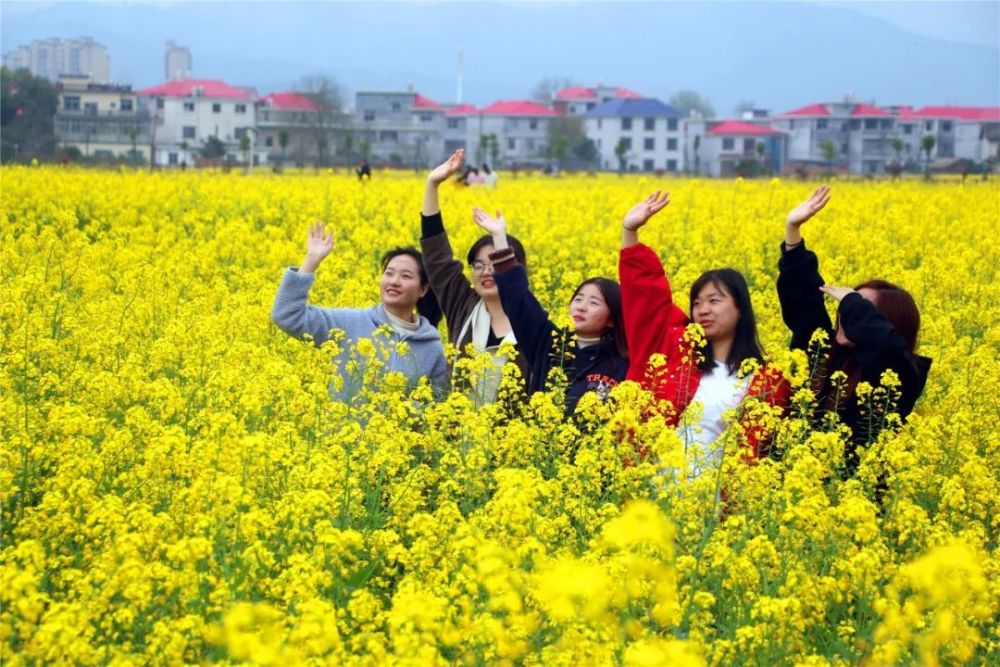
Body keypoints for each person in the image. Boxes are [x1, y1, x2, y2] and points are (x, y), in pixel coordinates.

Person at [619, 191, 789, 474]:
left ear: (740, 308)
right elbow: (645, 303)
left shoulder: (765, 380)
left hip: (715, 509)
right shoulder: (675, 349)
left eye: (714, 301)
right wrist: (630, 232)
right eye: (696, 303)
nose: (702, 310)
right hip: (652, 502)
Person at [777, 185, 931, 474]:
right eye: (846, 308)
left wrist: (851, 300)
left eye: (858, 311)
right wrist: (793, 233)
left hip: (858, 507)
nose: (844, 315)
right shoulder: (824, 358)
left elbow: (885, 347)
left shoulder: (900, 374)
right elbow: (804, 305)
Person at [472, 208, 628, 414]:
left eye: (594, 302)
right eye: (578, 299)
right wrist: (499, 238)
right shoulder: (549, 342)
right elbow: (519, 299)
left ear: (612, 319)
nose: (581, 306)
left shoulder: (622, 361)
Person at [271, 221, 448, 401]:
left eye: (405, 276)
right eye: (389, 273)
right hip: (342, 428)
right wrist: (311, 261)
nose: (394, 281)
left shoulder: (433, 349)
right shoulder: (349, 323)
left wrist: (407, 412)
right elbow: (286, 315)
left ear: (423, 289)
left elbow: (436, 412)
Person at [421, 149, 530, 403]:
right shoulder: (463, 305)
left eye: (496, 263)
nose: (486, 271)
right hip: (457, 437)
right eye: (478, 265)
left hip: (511, 440)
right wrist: (432, 185)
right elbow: (437, 256)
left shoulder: (533, 322)